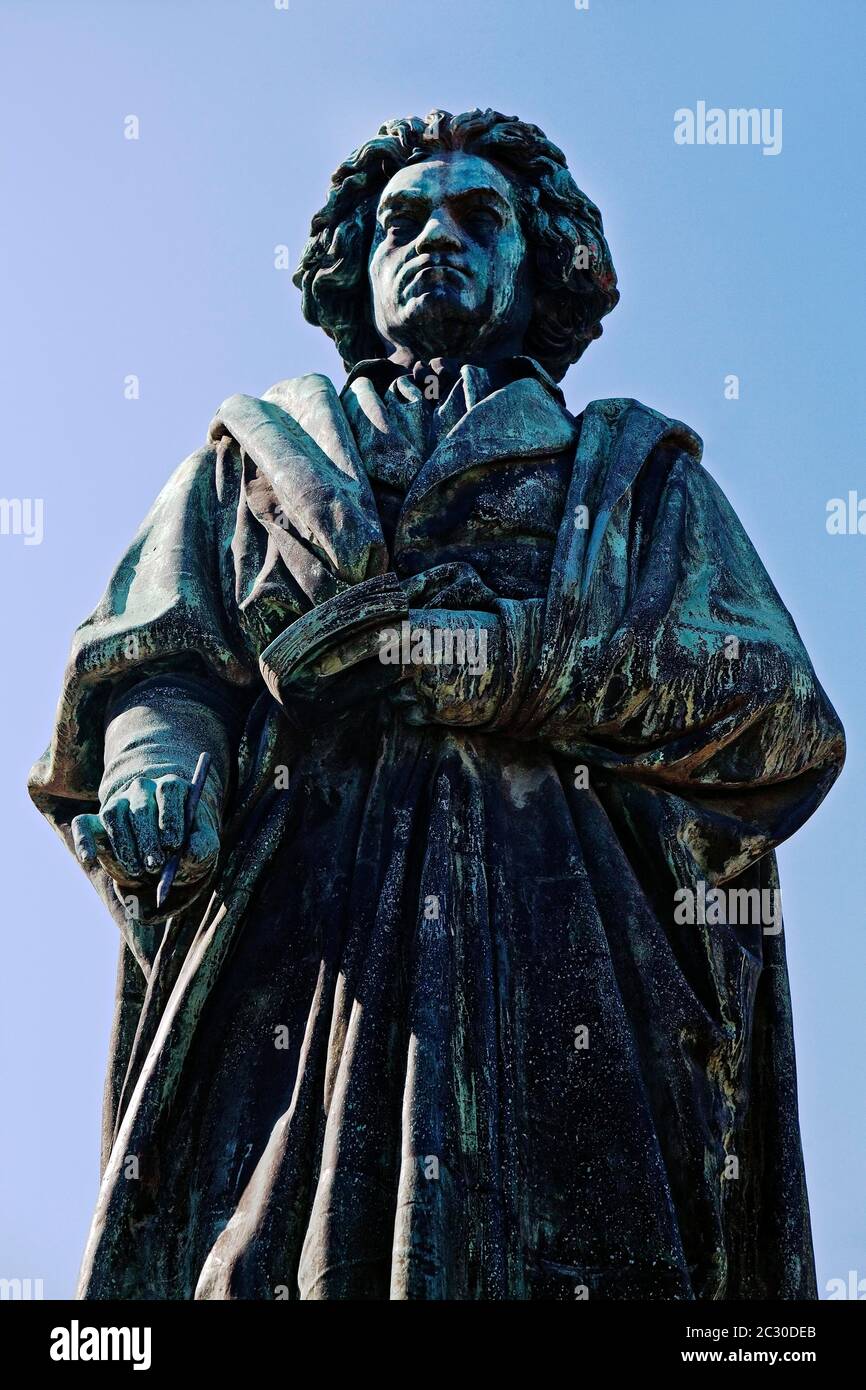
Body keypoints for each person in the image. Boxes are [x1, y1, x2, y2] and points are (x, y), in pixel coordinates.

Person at [29, 108, 845, 1300]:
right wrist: (161, 761)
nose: (436, 239)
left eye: (479, 216)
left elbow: (776, 711)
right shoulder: (251, 463)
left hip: (563, 957)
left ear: (541, 257)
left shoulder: (629, 478)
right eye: (402, 219)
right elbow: (156, 661)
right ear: (354, 265)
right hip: (299, 963)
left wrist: (517, 663)